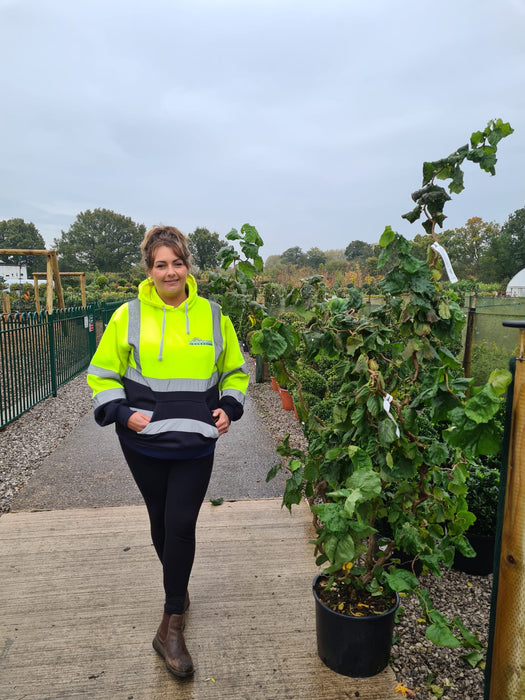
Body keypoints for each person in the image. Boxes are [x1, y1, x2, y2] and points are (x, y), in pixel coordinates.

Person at [86, 225, 248, 678]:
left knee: (180, 524)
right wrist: (120, 412)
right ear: (150, 270)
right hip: (143, 443)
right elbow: (101, 374)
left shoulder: (215, 317)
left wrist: (230, 406)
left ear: (187, 266)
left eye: (177, 262)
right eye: (161, 264)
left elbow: (234, 370)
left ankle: (171, 624)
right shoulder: (127, 316)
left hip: (196, 442)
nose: (170, 271)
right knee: (159, 521)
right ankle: (178, 586)